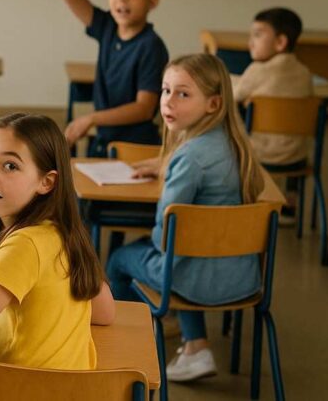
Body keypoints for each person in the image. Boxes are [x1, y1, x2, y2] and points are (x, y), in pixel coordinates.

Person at [107, 54, 265, 383]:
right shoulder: (234, 144)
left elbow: (166, 239)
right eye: (165, 90)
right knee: (187, 256)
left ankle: (130, 348)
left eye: (183, 94)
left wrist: (154, 237)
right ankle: (195, 346)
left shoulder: (190, 157)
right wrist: (165, 164)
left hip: (195, 281)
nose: (168, 101)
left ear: (213, 104)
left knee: (120, 259)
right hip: (242, 278)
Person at [0, 113, 114, 367]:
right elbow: (104, 312)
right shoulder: (63, 233)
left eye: (10, 166)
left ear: (46, 182)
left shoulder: (22, 247)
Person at [56, 0, 169, 156]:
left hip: (136, 147)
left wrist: (92, 118)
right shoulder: (107, 27)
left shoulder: (151, 45)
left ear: (153, 1)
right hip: (104, 141)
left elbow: (143, 108)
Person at [233, 7, 313, 222]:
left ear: (280, 42)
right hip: (297, 158)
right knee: (287, 137)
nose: (251, 42)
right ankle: (290, 205)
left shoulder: (257, 70)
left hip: (260, 156)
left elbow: (233, 96)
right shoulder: (305, 73)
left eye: (258, 35)